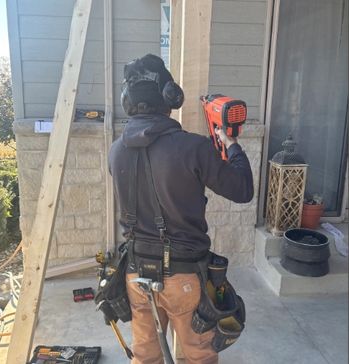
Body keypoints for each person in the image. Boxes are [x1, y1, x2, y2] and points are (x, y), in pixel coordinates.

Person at [108, 54, 253, 364]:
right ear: (170, 97)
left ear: (127, 100)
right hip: (184, 278)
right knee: (197, 356)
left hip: (135, 274)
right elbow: (242, 190)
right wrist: (230, 143)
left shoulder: (116, 150)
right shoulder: (194, 147)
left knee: (145, 355)